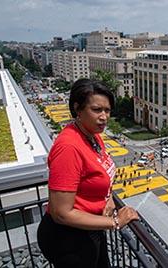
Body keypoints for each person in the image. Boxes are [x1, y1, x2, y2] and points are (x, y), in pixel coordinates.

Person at [37, 79, 139, 268]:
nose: (104, 117)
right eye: (96, 109)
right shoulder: (69, 147)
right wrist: (116, 222)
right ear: (78, 108)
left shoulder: (93, 136)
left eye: (107, 110)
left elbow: (99, 174)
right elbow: (61, 213)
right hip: (68, 238)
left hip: (90, 227)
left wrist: (107, 197)